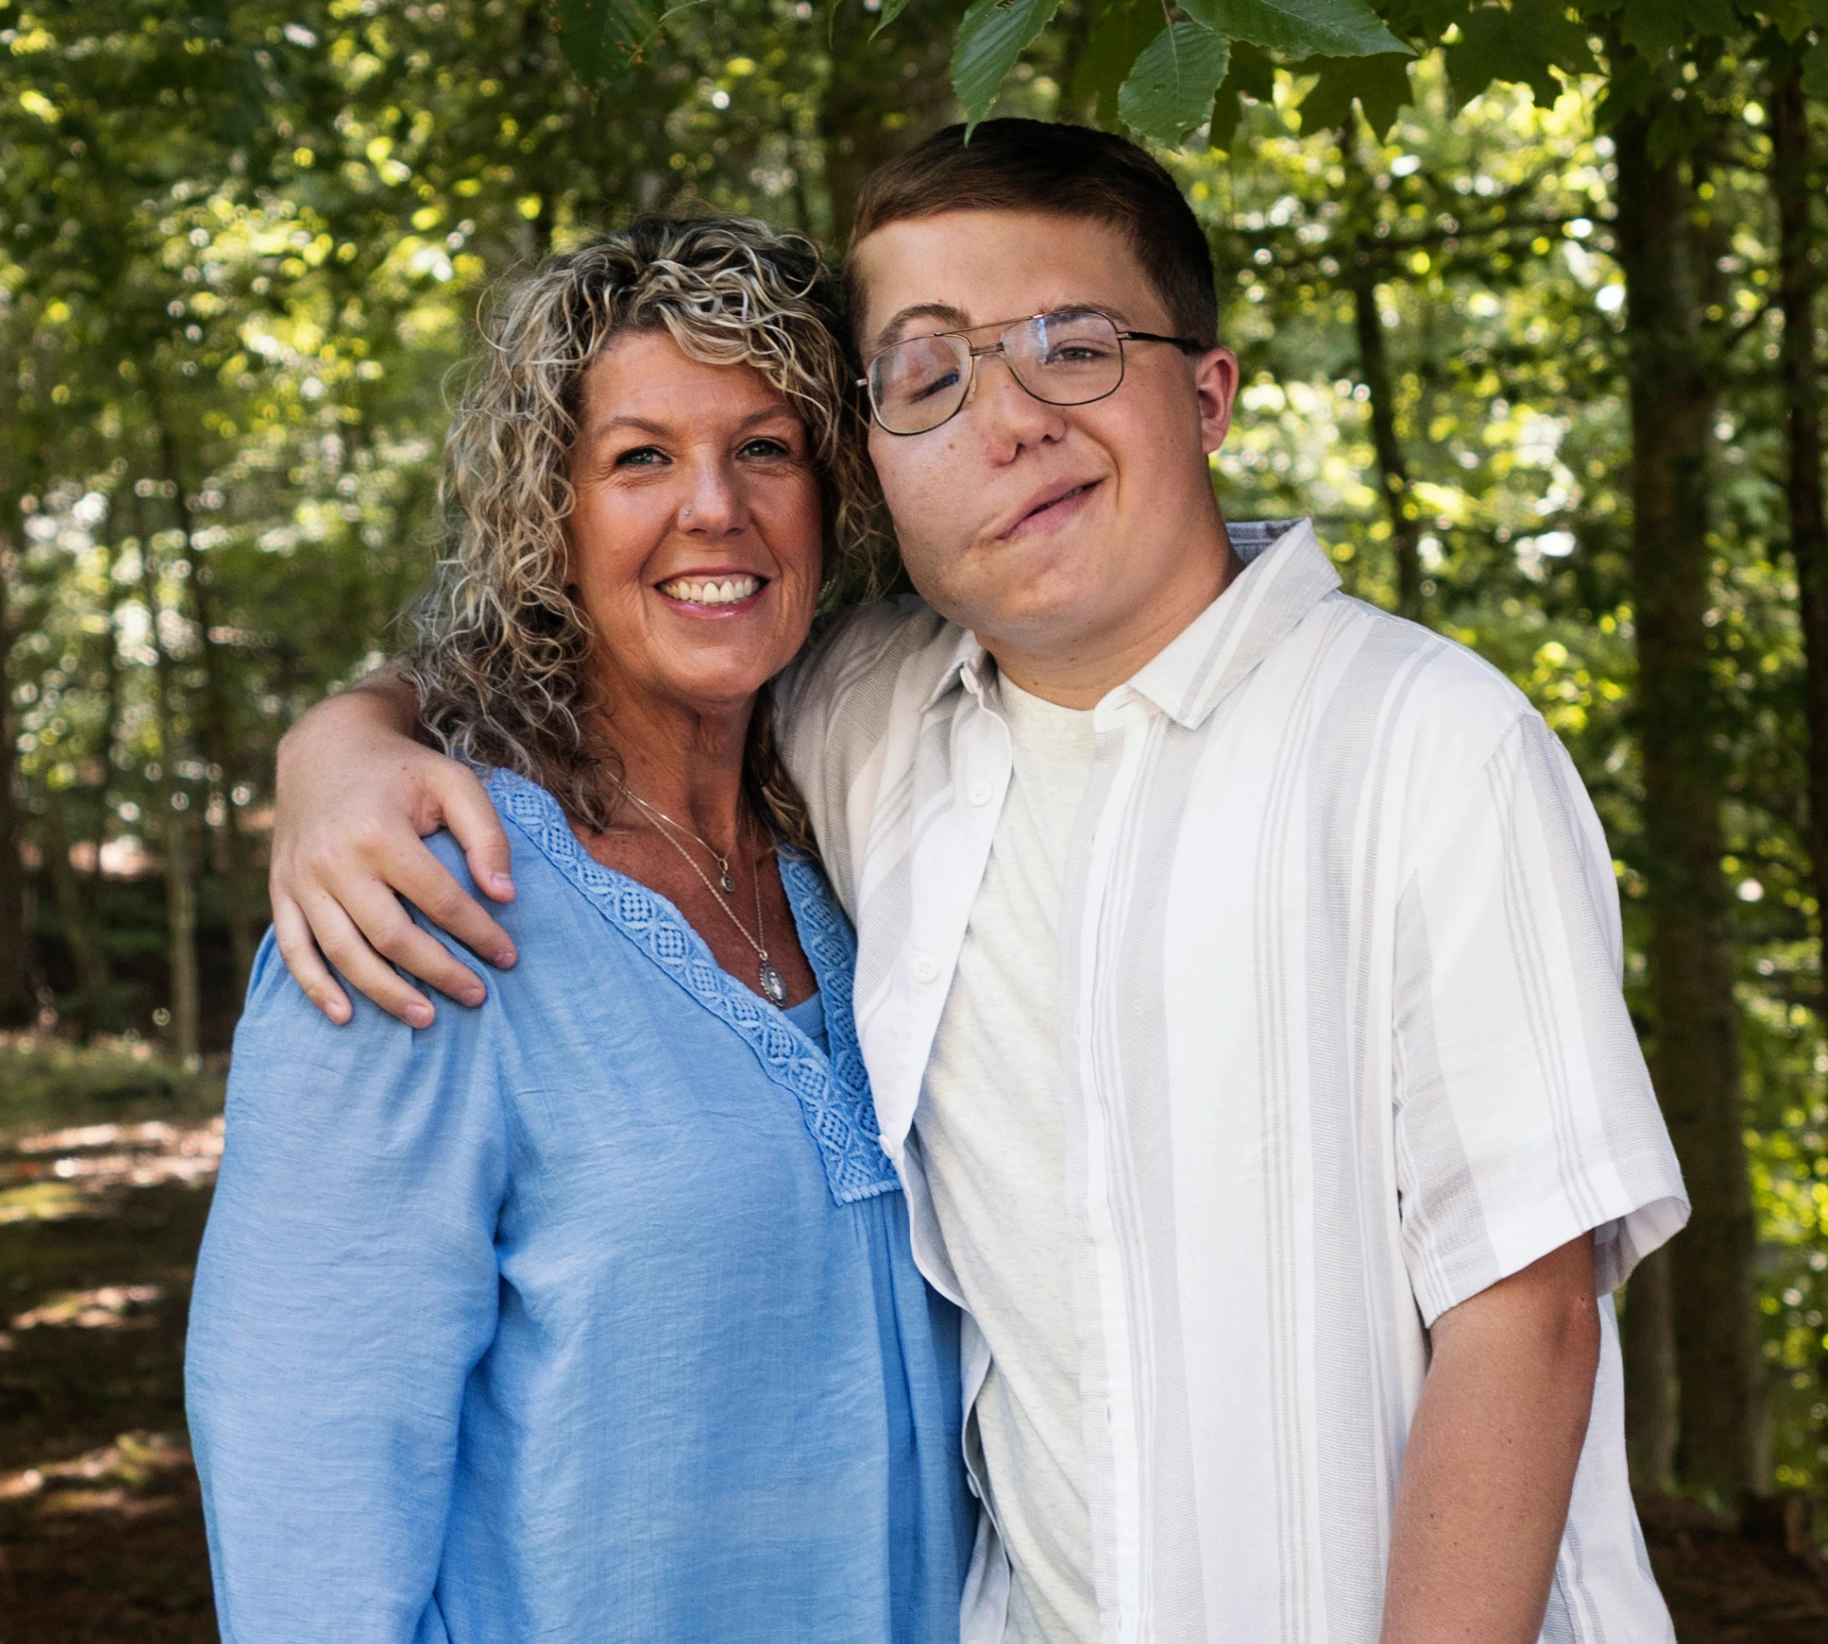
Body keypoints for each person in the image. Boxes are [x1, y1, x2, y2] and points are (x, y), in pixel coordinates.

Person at [267, 123, 1688, 1644]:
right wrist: (346, 740)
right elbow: (607, 645)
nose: (1008, 420)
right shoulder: (867, 724)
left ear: (1206, 394)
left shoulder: (1429, 743)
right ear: (880, 454)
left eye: (1074, 348)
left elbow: (1524, 1321)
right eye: (931, 376)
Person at [184, 217, 975, 1644]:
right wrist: (344, 739)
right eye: (639, 458)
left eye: (767, 449)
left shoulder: (865, 848)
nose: (713, 508)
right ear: (547, 516)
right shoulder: (417, 902)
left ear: (833, 497)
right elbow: (308, 1506)